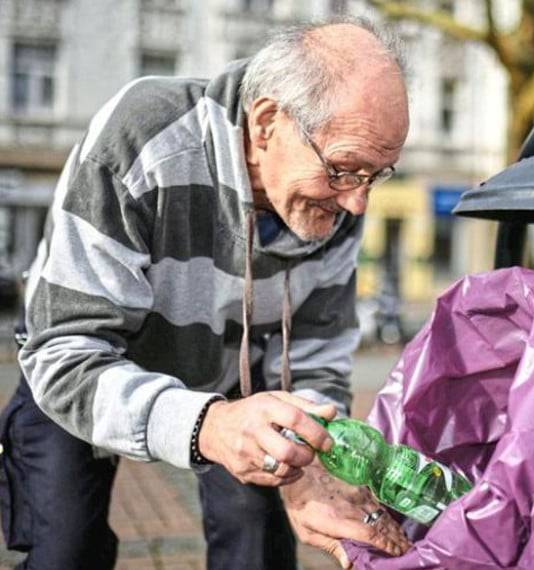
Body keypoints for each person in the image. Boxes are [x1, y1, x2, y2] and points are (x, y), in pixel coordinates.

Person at [0, 18, 414, 569]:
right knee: (66, 550)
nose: (358, 203)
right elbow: (64, 354)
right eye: (344, 170)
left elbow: (317, 351)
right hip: (84, 368)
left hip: (233, 378)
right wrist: (208, 426)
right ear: (267, 123)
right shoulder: (142, 136)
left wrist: (318, 463)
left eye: (376, 175)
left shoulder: (334, 198)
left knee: (259, 549)